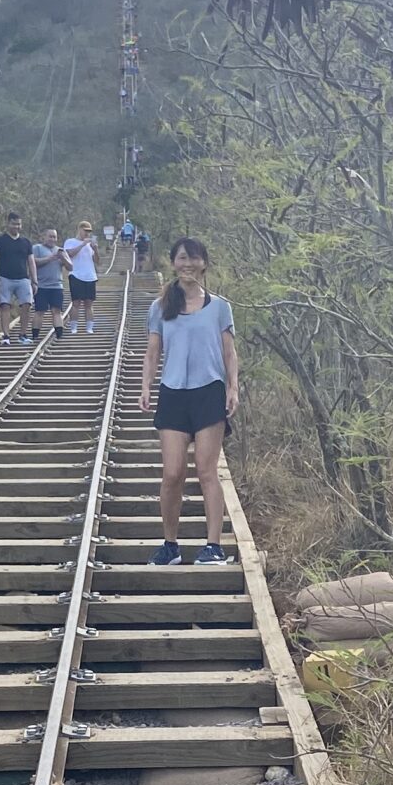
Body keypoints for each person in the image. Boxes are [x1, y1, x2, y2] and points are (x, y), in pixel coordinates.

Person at [140, 235, 238, 565]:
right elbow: (153, 352)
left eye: (194, 258)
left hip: (209, 391)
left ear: (204, 263)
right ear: (173, 263)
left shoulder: (220, 307)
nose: (188, 264)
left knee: (207, 471)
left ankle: (213, 546)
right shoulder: (160, 307)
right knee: (172, 473)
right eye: (182, 258)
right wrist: (146, 386)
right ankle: (170, 544)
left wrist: (233, 387)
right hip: (173, 393)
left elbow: (229, 352)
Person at [0, 214, 36, 347]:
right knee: (5, 306)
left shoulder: (26, 242)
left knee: (26, 305)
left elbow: (31, 261)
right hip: (5, 278)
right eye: (14, 224)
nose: (17, 227)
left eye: (19, 224)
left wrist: (34, 280)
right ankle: (6, 336)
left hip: (23, 278)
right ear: (8, 224)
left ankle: (23, 335)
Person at [62, 220, 99, 334]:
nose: (87, 234)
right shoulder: (70, 241)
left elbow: (97, 261)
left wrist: (96, 249)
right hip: (76, 275)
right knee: (76, 303)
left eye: (89, 231)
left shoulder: (90, 245)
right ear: (79, 229)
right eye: (85, 231)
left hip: (90, 276)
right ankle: (74, 327)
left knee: (89, 303)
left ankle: (89, 328)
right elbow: (69, 254)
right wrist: (82, 244)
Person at [30, 227, 69, 337]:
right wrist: (50, 258)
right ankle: (35, 335)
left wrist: (63, 258)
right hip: (41, 285)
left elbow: (70, 266)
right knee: (40, 311)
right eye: (50, 236)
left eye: (54, 237)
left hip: (57, 286)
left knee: (57, 311)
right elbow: (33, 262)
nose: (52, 239)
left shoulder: (60, 250)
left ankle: (59, 334)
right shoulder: (37, 248)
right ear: (44, 237)